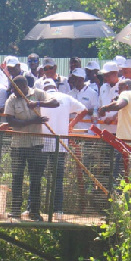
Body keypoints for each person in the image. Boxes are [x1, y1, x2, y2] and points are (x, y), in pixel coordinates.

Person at [4, 75, 59, 221]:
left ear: (24, 86)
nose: (13, 91)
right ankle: (15, 210)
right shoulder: (11, 99)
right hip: (18, 145)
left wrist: (38, 104)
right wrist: (32, 121)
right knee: (17, 177)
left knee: (35, 178)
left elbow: (55, 102)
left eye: (16, 88)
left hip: (36, 144)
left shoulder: (37, 94)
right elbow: (11, 121)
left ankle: (34, 211)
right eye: (12, 88)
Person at [40, 78, 87, 215]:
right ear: (55, 87)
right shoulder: (66, 97)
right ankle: (58, 210)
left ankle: (34, 209)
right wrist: (70, 125)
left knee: (37, 175)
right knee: (58, 177)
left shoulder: (41, 98)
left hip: (43, 142)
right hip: (60, 143)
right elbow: (84, 110)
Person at [68, 68, 98, 133]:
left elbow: (95, 110)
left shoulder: (92, 93)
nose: (73, 80)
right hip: (72, 131)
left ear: (81, 79)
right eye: (73, 78)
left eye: (75, 78)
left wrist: (83, 111)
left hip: (87, 131)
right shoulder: (69, 94)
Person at [97, 62, 120, 134]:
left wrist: (113, 117)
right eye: (104, 75)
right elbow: (99, 105)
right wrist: (98, 113)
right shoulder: (103, 87)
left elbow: (127, 107)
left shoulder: (124, 86)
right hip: (104, 129)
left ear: (115, 73)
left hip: (118, 130)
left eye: (107, 75)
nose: (105, 78)